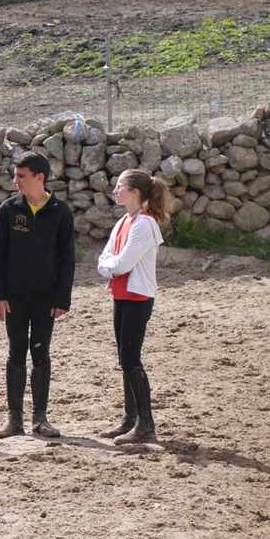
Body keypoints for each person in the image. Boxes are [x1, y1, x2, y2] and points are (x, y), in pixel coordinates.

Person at [0, 152, 76, 439]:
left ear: (40, 177)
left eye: (21, 176)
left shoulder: (61, 212)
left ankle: (40, 418)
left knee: (41, 352)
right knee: (16, 352)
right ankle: (14, 420)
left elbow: (68, 260)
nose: (16, 181)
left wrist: (62, 300)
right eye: (15, 175)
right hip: (14, 298)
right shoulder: (8, 209)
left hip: (46, 299)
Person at [96, 168, 170, 444]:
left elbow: (121, 263)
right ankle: (131, 419)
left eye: (120, 186)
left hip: (137, 298)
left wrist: (110, 267)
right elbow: (105, 257)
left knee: (130, 359)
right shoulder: (125, 221)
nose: (116, 191)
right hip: (122, 296)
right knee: (125, 359)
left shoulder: (144, 224)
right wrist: (110, 267)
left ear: (135, 193)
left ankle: (145, 424)